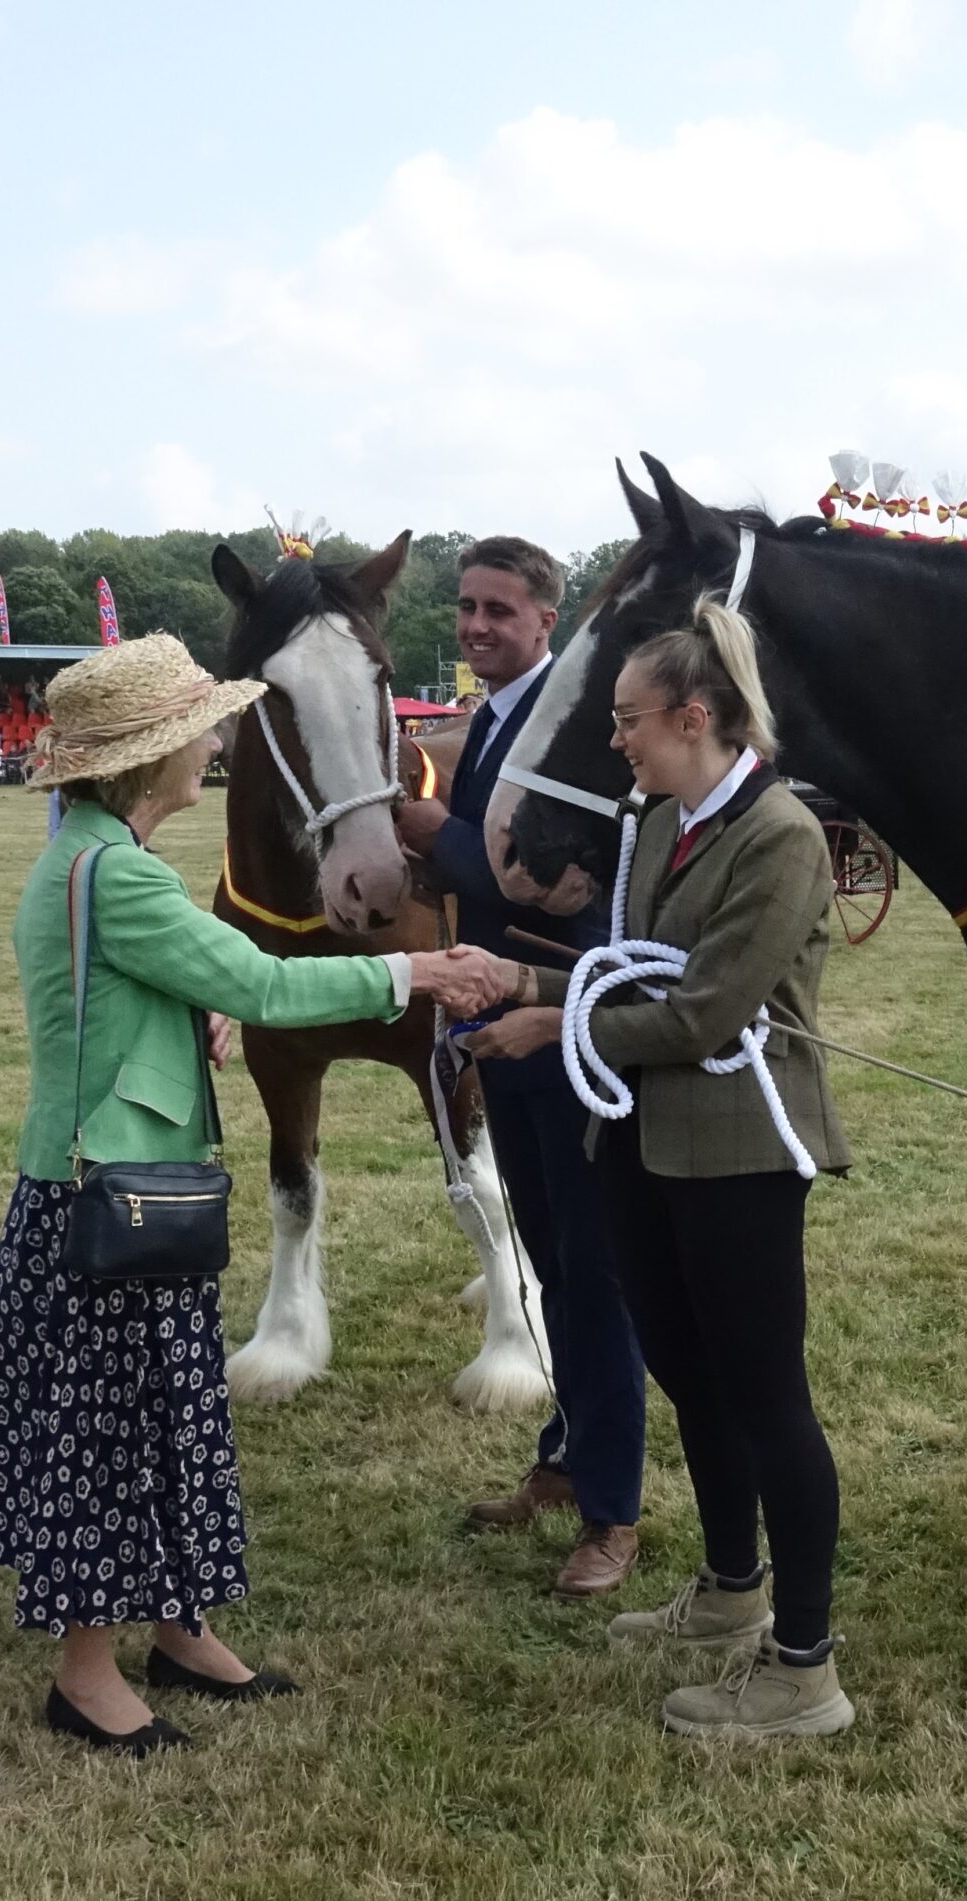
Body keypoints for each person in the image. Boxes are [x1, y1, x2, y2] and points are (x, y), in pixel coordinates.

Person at [0, 633, 514, 1754]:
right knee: (110, 1437)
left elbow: (141, 991)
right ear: (145, 760)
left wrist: (179, 1013)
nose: (214, 743)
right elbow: (258, 980)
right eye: (196, 730)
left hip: (120, 1186)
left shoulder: (94, 864)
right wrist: (418, 970)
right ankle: (87, 1672)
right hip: (105, 1196)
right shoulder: (120, 875)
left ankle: (177, 1626)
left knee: (164, 1418)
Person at [481, 595, 856, 1740]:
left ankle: (804, 1667)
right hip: (645, 1142)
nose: (616, 738)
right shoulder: (659, 820)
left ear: (695, 717)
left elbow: (699, 1014)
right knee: (692, 1378)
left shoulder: (781, 835)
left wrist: (559, 1030)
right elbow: (627, 970)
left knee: (765, 1397)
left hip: (738, 1149)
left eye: (629, 718)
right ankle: (731, 1594)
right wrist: (518, 983)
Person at [395, 537, 649, 1597]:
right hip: (496, 1025)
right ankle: (565, 1454)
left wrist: (432, 832)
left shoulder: (576, 728)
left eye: (500, 610)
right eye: (465, 607)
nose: (475, 626)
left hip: (563, 1020)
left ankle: (614, 1511)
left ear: (548, 621)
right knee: (548, 1261)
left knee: (592, 1271)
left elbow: (548, 881)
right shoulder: (488, 721)